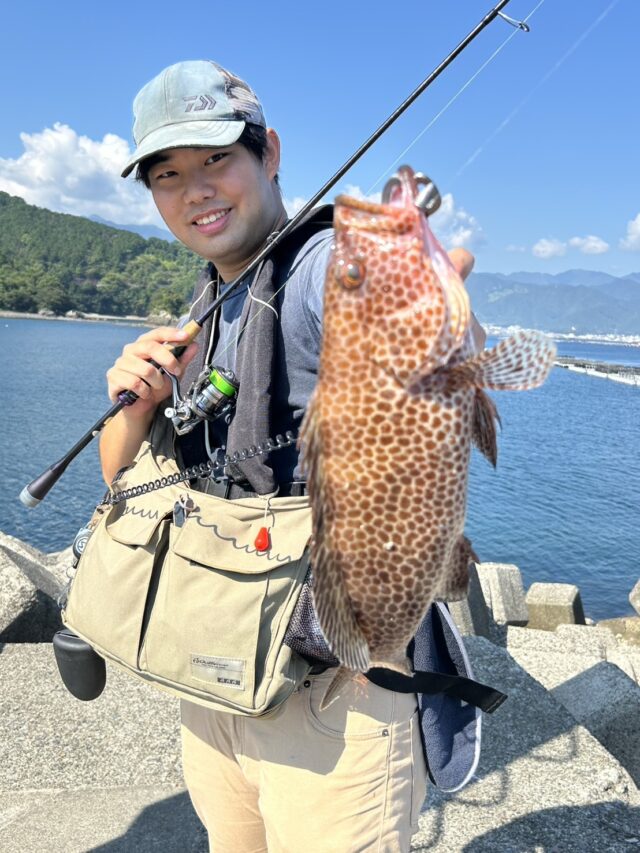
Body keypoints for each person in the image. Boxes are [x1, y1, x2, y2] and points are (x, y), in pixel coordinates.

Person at [102, 60, 483, 853]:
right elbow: (121, 482)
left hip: (334, 689)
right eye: (168, 174)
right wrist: (135, 406)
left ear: (269, 153)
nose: (196, 189)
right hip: (217, 668)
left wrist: (427, 306)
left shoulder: (322, 269)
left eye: (217, 158)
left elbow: (396, 320)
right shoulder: (207, 306)